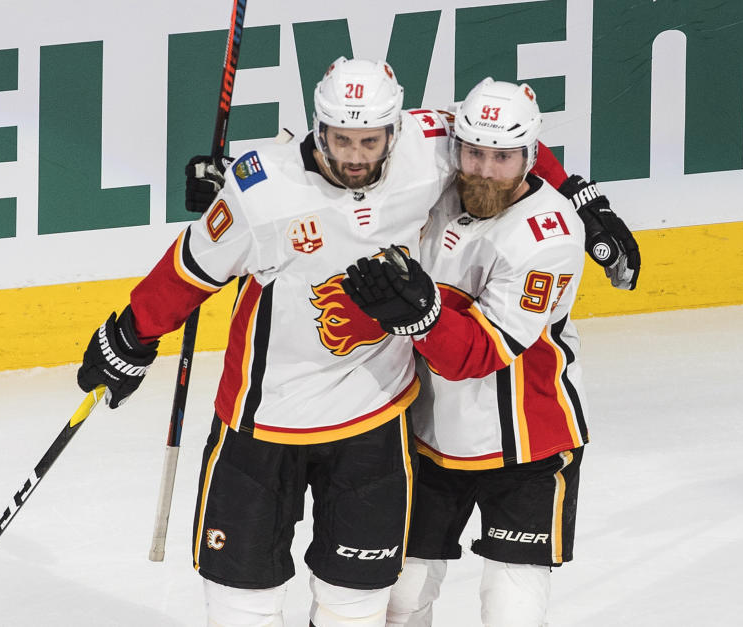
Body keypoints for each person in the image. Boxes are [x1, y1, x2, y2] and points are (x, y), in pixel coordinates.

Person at [76, 58, 579, 627]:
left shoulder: (433, 143)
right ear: (317, 128)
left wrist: (577, 195)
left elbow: (502, 135)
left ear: (396, 131)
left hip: (375, 419)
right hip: (262, 419)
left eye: (371, 140)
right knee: (244, 605)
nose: (356, 155)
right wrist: (130, 335)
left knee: (357, 607)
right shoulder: (260, 191)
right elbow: (190, 269)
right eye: (341, 139)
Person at [341, 78, 589, 626]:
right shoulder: (439, 182)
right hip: (430, 437)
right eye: (474, 151)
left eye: (503, 157)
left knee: (510, 608)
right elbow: (355, 131)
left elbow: (480, 355)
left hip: (527, 446)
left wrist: (421, 318)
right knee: (402, 599)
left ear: (530, 156)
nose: (484, 168)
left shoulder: (549, 239)